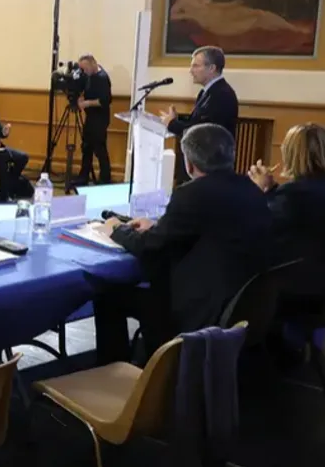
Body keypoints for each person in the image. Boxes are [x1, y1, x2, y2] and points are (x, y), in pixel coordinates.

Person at [95, 124, 272, 363]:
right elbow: (205, 229)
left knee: (108, 295)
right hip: (242, 303)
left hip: (199, 308)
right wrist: (158, 227)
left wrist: (116, 228)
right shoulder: (252, 190)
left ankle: (126, 376)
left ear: (189, 164)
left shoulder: (191, 194)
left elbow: (149, 247)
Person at [248, 123, 325, 297]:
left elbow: (261, 229)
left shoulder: (292, 195)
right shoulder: (295, 193)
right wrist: (273, 189)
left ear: (290, 154)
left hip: (300, 287)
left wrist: (258, 192)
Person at [161, 46, 239, 182]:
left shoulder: (221, 94)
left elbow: (203, 131)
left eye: (196, 66)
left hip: (211, 163)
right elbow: (197, 120)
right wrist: (177, 119)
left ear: (212, 68)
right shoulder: (207, 92)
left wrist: (172, 124)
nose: (191, 71)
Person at [76, 54, 112, 185]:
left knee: (99, 149)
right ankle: (83, 176)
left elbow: (105, 100)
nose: (84, 72)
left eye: (85, 68)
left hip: (100, 119)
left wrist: (87, 103)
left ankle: (105, 178)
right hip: (90, 117)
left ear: (92, 64)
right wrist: (80, 97)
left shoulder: (102, 78)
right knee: (86, 147)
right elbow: (82, 89)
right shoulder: (88, 75)